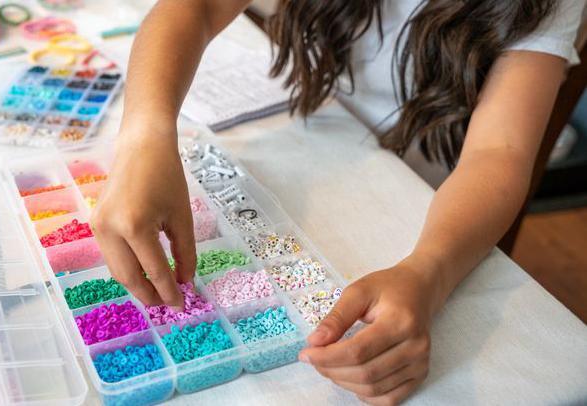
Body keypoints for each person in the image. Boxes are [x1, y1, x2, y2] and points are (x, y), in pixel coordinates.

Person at [90, 0, 585, 404]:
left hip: (423, 200)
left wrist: (428, 273)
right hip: (315, 143)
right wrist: (145, 135)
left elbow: (499, 153)